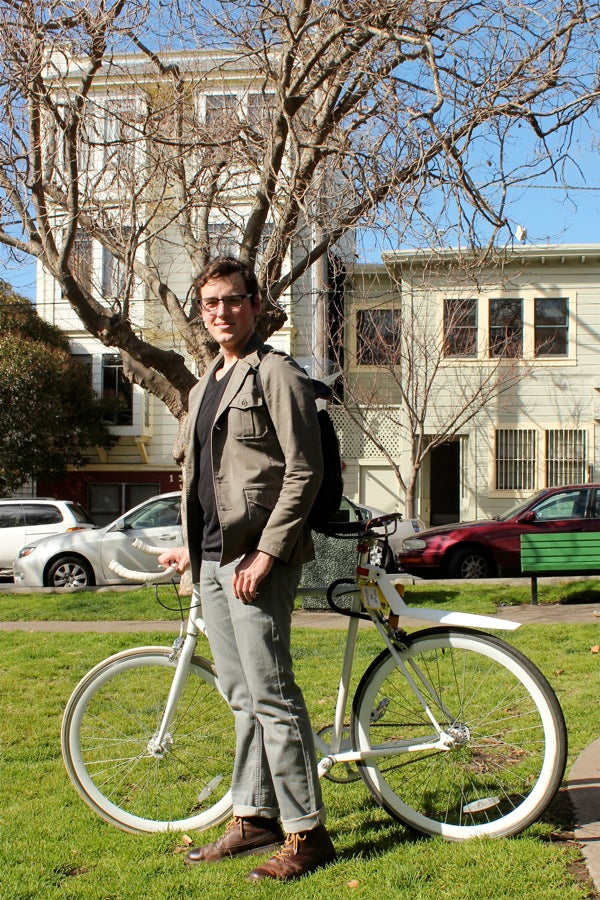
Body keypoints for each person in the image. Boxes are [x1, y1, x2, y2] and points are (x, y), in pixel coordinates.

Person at [159, 257, 336, 883]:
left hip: (256, 559)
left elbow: (303, 469)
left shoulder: (278, 373)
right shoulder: (205, 382)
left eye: (232, 301)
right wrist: (189, 546)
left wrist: (267, 552)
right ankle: (255, 816)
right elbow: (205, 478)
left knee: (272, 691)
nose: (221, 313)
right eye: (210, 303)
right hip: (210, 559)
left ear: (256, 305)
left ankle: (307, 832)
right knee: (240, 695)